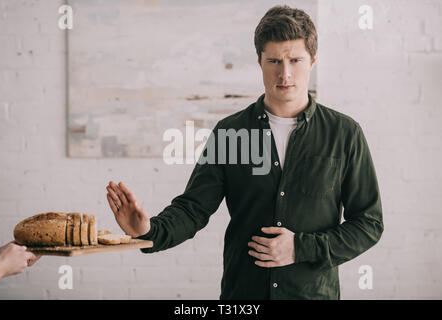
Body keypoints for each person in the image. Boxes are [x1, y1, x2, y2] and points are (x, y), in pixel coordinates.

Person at [105, 5, 383, 299]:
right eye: (274, 60)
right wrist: (147, 231)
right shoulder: (229, 133)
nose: (285, 73)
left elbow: (368, 224)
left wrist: (301, 248)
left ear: (312, 61)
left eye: (295, 60)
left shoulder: (345, 133)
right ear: (260, 62)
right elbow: (193, 209)